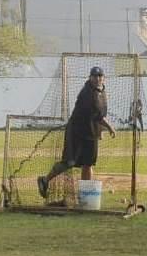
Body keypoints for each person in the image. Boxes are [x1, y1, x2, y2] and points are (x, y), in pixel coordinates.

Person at [37, 66, 116, 199]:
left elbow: (99, 114)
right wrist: (109, 127)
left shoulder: (102, 91)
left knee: (88, 163)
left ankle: (86, 197)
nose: (97, 79)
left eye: (100, 76)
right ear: (90, 78)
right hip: (77, 132)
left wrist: (99, 131)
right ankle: (45, 180)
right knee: (69, 162)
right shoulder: (87, 93)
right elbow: (97, 116)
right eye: (94, 76)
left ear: (103, 78)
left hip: (90, 133)